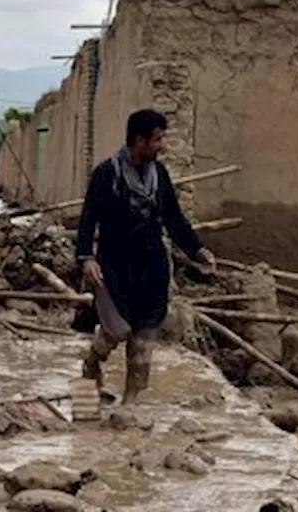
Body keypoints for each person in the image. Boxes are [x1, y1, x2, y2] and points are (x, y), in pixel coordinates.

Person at [75, 108, 216, 405]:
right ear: (139, 141)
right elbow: (89, 217)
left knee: (143, 343)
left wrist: (197, 249)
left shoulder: (159, 175)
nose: (161, 145)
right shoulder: (107, 174)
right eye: (157, 139)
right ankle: (91, 366)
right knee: (115, 331)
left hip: (151, 268)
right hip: (114, 266)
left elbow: (174, 219)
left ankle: (129, 405)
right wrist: (87, 258)